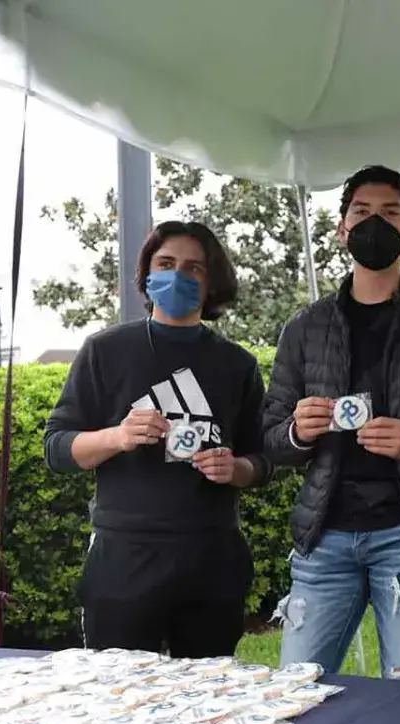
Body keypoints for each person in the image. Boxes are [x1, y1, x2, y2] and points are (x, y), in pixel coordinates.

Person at [261, 165, 400, 681]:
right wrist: (299, 430)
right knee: (295, 689)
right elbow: (272, 436)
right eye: (362, 212)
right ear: (341, 229)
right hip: (324, 537)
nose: (375, 224)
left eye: (390, 214)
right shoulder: (305, 327)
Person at [44, 220, 274, 658]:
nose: (177, 276)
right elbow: (57, 448)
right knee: (118, 690)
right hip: (124, 559)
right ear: (147, 273)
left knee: (210, 692)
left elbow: (264, 460)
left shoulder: (237, 364)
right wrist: (117, 436)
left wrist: (236, 469)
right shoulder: (104, 351)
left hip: (211, 559)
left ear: (212, 282)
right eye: (165, 264)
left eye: (193, 268)